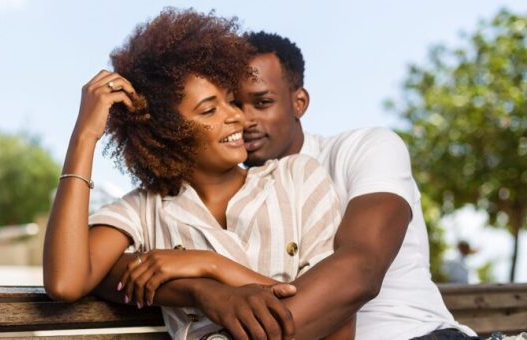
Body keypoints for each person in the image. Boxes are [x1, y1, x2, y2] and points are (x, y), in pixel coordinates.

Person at [96, 31, 480, 339]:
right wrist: (201, 287)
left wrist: (208, 265)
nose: (242, 119)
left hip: (416, 333)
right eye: (231, 102)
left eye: (261, 103)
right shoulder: (228, 197)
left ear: (299, 102)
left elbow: (360, 270)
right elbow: (91, 272)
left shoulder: (364, 148)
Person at [43, 9, 353, 340]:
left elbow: (333, 313)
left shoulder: (298, 178)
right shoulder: (147, 209)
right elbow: (65, 282)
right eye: (209, 110)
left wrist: (209, 265)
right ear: (166, 132)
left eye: (231, 101)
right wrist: (84, 137)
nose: (235, 116)